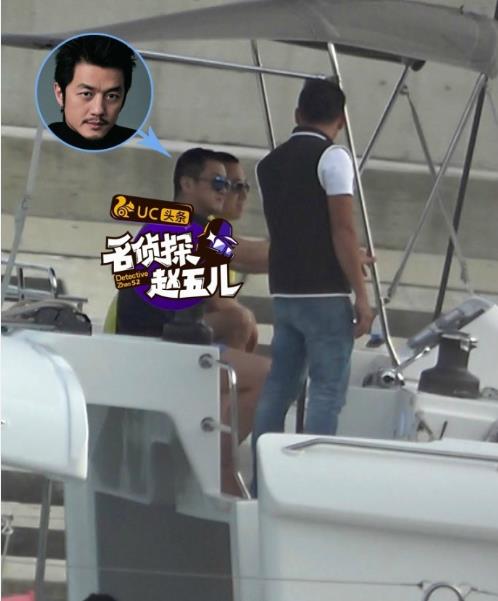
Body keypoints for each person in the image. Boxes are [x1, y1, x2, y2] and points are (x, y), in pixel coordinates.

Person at [115, 147, 270, 496]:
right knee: (267, 377)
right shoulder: (181, 225)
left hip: (160, 344)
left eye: (231, 185)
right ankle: (216, 462)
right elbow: (251, 256)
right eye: (218, 183)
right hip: (155, 353)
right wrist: (323, 250)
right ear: (186, 184)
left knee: (239, 322)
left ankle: (203, 435)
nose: (226, 191)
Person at [251, 78, 374, 493]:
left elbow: (296, 228)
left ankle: (262, 479)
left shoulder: (268, 164)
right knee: (326, 391)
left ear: (298, 114)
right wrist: (362, 294)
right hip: (325, 293)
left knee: (278, 389)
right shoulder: (333, 157)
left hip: (284, 290)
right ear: (341, 120)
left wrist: (349, 255)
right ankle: (311, 485)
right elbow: (342, 229)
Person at [49, 35, 136, 150]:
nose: (98, 110)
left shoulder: (137, 143)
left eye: (111, 96)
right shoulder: (43, 139)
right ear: (60, 94)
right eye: (86, 94)